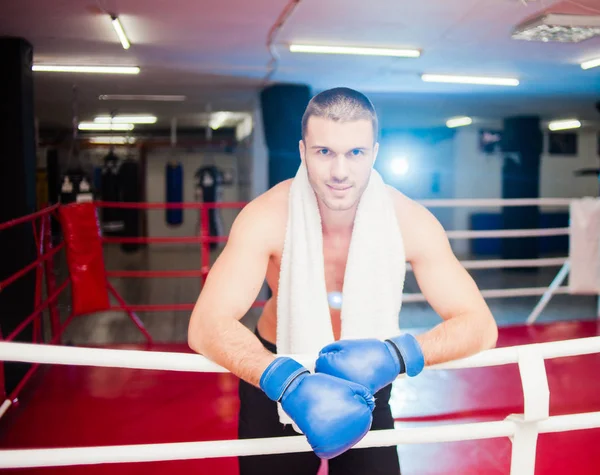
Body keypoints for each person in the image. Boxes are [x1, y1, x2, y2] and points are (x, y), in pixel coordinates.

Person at [188, 87, 498, 474]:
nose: (340, 171)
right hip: (277, 376)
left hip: (368, 378)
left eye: (355, 153)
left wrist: (395, 356)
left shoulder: (409, 221)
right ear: (303, 151)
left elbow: (480, 325)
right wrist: (284, 379)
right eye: (324, 152)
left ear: (374, 154)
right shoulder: (267, 216)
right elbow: (206, 324)